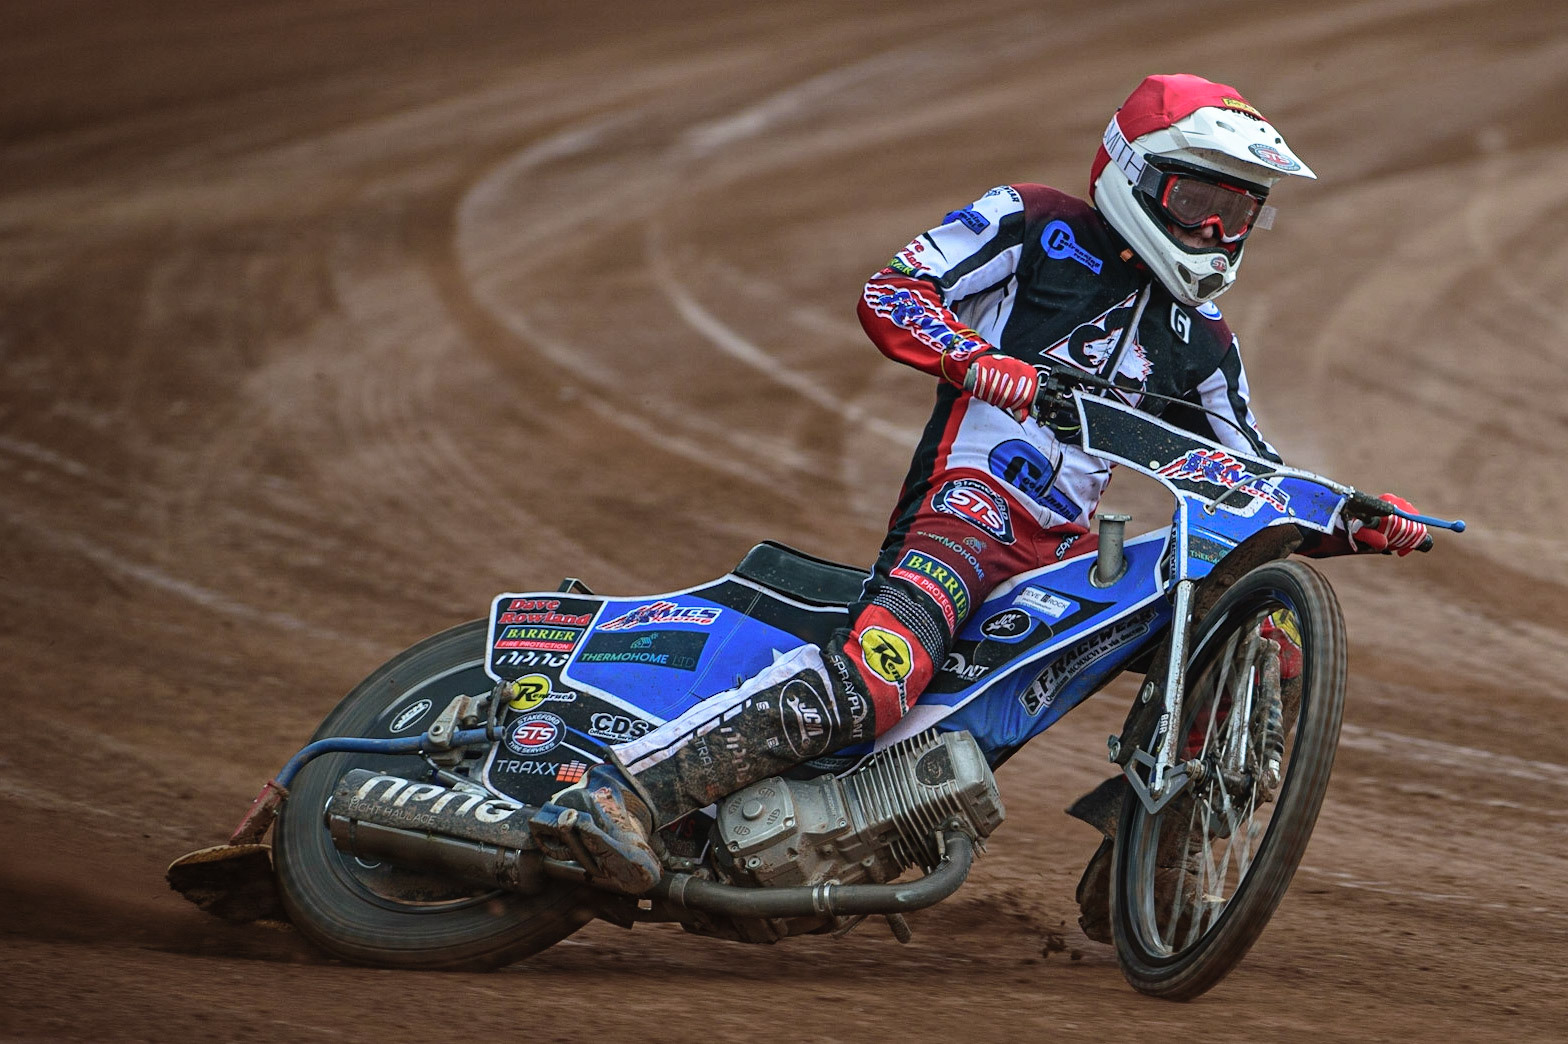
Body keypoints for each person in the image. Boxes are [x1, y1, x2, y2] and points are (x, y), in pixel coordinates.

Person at [529, 73, 1430, 895]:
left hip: (1072, 549)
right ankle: (618, 796)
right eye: (1198, 201)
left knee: (1265, 638)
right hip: (966, 513)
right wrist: (979, 362)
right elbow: (892, 292)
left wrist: (1353, 519)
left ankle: (1154, 859)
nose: (1215, 233)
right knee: (879, 681)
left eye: (1240, 214)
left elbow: (1251, 476)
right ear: (1133, 174)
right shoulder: (1034, 222)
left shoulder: (1204, 339)